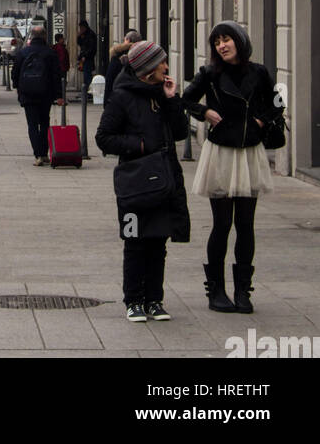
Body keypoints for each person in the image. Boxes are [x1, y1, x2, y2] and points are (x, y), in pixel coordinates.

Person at [181, 21, 282, 315]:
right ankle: (216, 290)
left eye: (226, 40)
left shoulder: (259, 72)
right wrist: (205, 112)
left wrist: (261, 121)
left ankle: (243, 291)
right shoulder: (210, 73)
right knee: (222, 224)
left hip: (249, 151)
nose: (221, 46)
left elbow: (277, 103)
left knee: (246, 225)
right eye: (217, 42)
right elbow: (185, 99)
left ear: (239, 41)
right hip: (221, 152)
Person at [95, 40, 190, 323]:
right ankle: (133, 300)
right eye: (161, 62)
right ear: (148, 68)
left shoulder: (164, 94)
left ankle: (154, 300)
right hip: (135, 182)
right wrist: (141, 144)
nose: (166, 66)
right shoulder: (121, 97)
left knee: (158, 242)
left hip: (164, 180)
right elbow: (103, 138)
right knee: (135, 241)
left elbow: (181, 132)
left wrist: (172, 100)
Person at [11, 25, 64, 165]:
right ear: (45, 36)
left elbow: (15, 73)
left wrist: (18, 88)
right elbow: (56, 75)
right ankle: (44, 152)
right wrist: (59, 95)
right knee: (45, 122)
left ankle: (38, 155)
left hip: (27, 93)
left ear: (32, 37)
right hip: (45, 94)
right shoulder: (50, 53)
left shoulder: (23, 53)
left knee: (32, 124)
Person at [104, 29, 142, 105]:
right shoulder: (142, 56)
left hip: (118, 100)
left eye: (124, 39)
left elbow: (109, 81)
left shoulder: (117, 56)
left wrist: (107, 101)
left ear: (127, 40)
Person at [76, 20, 97, 93]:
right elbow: (80, 44)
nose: (80, 29)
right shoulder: (84, 34)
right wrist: (79, 37)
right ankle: (86, 91)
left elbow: (91, 48)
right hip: (85, 57)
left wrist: (85, 56)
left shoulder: (90, 35)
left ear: (85, 27)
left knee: (87, 75)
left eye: (81, 27)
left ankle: (88, 91)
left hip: (88, 58)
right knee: (86, 74)